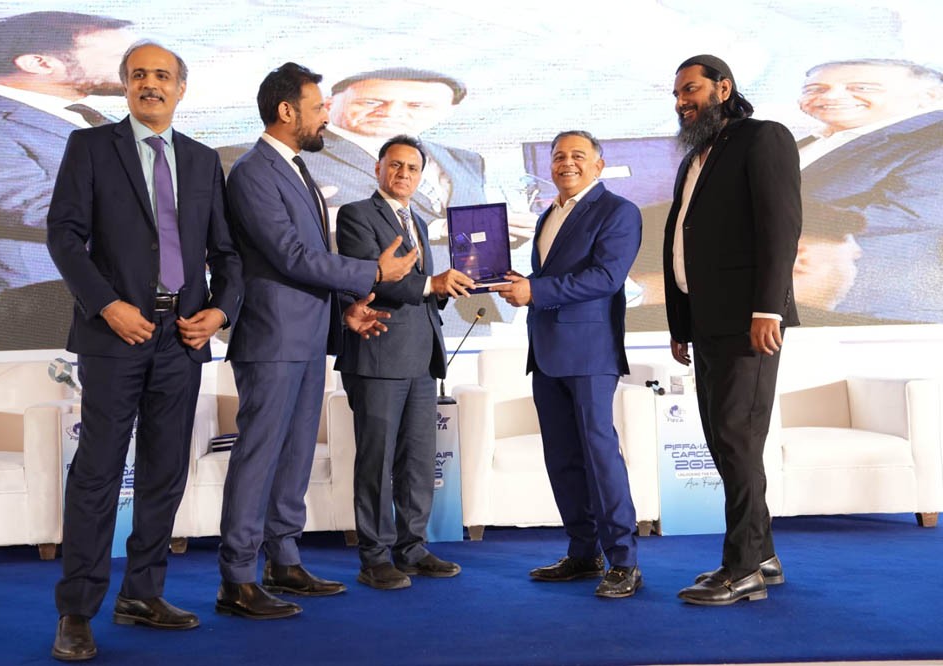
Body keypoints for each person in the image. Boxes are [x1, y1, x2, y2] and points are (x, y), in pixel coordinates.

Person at [46, 41, 243, 661]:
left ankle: (142, 594)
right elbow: (64, 236)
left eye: (161, 75)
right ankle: (77, 611)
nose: (149, 84)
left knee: (165, 471)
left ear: (181, 88)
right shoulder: (89, 147)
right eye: (138, 75)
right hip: (114, 335)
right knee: (98, 471)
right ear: (125, 86)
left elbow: (227, 254)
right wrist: (106, 304)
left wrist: (220, 311)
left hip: (181, 339)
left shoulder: (203, 160)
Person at [218, 62, 416, 618]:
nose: (327, 114)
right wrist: (372, 273)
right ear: (287, 111)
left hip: (306, 336)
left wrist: (345, 310)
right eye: (319, 105)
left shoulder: (297, 167)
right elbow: (289, 256)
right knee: (260, 455)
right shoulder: (253, 171)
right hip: (272, 339)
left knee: (296, 453)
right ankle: (237, 578)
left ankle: (283, 559)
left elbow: (306, 261)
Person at [218, 67, 526, 335]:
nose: (392, 112)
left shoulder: (465, 159)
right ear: (333, 104)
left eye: (417, 105)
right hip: (346, 319)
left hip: (457, 315)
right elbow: (287, 252)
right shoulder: (254, 160)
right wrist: (379, 272)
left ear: (446, 111)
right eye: (371, 102)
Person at [663, 55, 801, 606]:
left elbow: (780, 225)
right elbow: (684, 236)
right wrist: (681, 324)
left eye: (691, 89)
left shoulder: (763, 138)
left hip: (749, 322)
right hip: (707, 322)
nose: (682, 101)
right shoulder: (695, 157)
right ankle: (761, 554)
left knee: (737, 437)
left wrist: (769, 308)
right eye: (677, 94)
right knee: (726, 440)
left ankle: (741, 570)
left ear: (723, 88)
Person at [492, 130, 643, 599]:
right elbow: (552, 275)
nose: (567, 163)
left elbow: (606, 277)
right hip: (546, 351)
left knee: (600, 456)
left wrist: (535, 290)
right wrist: (522, 282)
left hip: (590, 353)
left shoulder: (618, 211)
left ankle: (624, 561)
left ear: (599, 165)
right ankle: (583, 553)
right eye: (559, 156)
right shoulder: (548, 213)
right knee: (562, 458)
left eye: (579, 155)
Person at [0, 11, 135, 351]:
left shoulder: (89, 119)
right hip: (14, 324)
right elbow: (38, 207)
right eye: (118, 55)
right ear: (38, 63)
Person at [335, 135, 472, 590]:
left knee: (417, 459)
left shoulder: (418, 220)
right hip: (377, 352)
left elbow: (422, 288)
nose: (403, 174)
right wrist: (432, 284)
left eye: (412, 168)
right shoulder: (356, 215)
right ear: (377, 169)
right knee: (377, 461)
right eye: (395, 165)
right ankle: (375, 557)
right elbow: (371, 279)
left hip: (420, 356)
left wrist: (448, 287)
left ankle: (412, 547)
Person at [796, 59, 943, 322]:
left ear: (930, 96)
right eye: (816, 89)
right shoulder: (802, 140)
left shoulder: (933, 139)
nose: (831, 96)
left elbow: (911, 212)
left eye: (861, 87)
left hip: (859, 311)